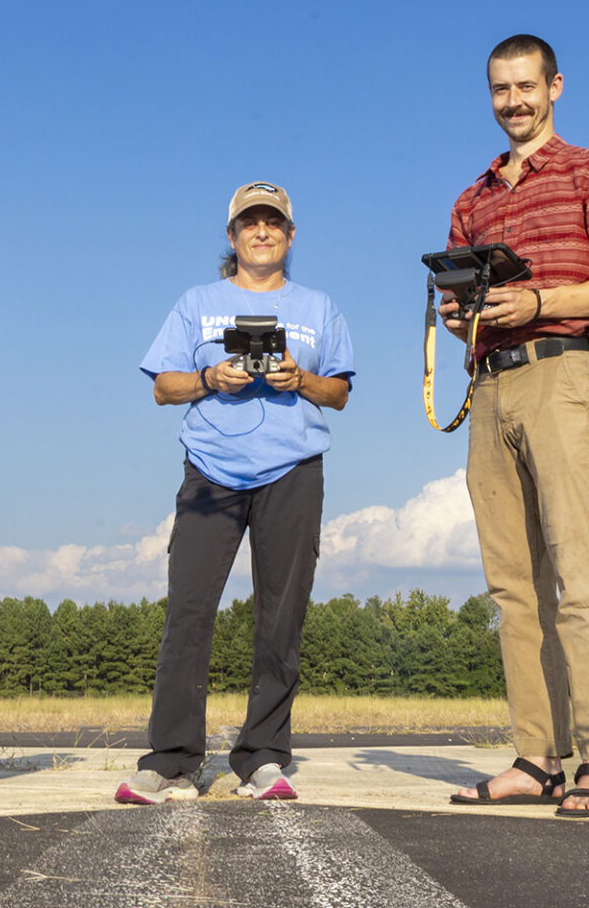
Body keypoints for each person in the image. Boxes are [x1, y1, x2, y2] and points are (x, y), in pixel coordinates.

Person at [441, 35, 589, 819]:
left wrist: (538, 302)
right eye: (500, 90)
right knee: (513, 589)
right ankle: (537, 758)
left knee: (577, 572)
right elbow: (467, 310)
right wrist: (461, 312)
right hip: (488, 387)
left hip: (562, 372)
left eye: (526, 86)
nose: (514, 102)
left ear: (555, 86)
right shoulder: (473, 198)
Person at [115, 182, 355, 804]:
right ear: (232, 235)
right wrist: (208, 377)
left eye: (274, 222)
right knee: (188, 612)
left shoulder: (319, 307)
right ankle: (171, 760)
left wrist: (300, 378)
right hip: (211, 470)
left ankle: (264, 757)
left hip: (293, 469)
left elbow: (340, 393)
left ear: (290, 235)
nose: (262, 232)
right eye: (250, 222)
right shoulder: (197, 302)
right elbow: (162, 388)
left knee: (282, 617)